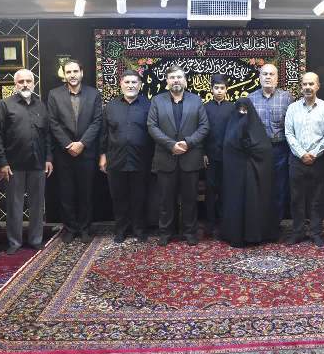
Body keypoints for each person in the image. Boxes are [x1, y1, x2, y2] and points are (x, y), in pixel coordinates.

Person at [0, 68, 53, 254]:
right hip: (13, 165)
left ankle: (35, 239)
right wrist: (2, 163)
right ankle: (14, 242)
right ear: (15, 84)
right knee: (14, 205)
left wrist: (48, 158)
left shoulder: (41, 105)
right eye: (21, 81)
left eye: (28, 81)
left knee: (37, 205)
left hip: (38, 163)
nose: (25, 84)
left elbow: (47, 135)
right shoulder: (4, 105)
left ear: (34, 83)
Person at [147, 65, 209, 246]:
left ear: (185, 81)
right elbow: (152, 126)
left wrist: (188, 142)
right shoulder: (157, 101)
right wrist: (170, 145)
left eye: (179, 77)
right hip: (166, 158)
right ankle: (166, 232)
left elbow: (204, 126)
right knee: (166, 200)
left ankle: (190, 232)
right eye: (172, 77)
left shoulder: (196, 100)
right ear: (167, 81)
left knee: (190, 200)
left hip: (190, 158)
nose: (176, 80)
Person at [47, 59, 103, 243]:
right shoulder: (54, 95)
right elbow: (53, 122)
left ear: (81, 73)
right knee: (66, 193)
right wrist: (68, 144)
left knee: (86, 193)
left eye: (75, 71)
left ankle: (85, 228)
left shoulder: (94, 94)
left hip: (86, 152)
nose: (72, 75)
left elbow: (97, 121)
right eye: (68, 72)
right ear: (64, 74)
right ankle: (70, 228)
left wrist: (82, 143)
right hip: (64, 153)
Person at [99, 70, 152, 243]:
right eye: (127, 82)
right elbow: (104, 133)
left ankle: (139, 229)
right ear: (121, 84)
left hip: (142, 160)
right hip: (116, 159)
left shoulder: (148, 105)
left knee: (140, 197)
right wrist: (102, 156)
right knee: (119, 197)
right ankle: (121, 230)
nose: (130, 85)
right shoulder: (110, 106)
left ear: (140, 85)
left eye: (134, 82)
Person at [219, 97, 277, 247]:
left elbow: (264, 149)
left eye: (245, 110)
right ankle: (235, 234)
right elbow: (228, 146)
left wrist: (250, 149)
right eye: (240, 110)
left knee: (254, 201)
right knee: (236, 202)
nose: (243, 113)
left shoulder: (256, 127)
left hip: (254, 173)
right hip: (236, 175)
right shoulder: (231, 126)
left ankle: (255, 234)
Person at [284, 72, 324, 246]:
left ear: (318, 86)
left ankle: (316, 233)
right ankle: (298, 232)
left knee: (317, 199)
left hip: (318, 160)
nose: (308, 87)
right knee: (296, 198)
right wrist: (302, 154)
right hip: (297, 160)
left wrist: (314, 154)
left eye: (311, 84)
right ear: (301, 87)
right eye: (305, 84)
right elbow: (289, 133)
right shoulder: (292, 108)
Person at [247, 63, 294, 225]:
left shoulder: (287, 98)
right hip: (258, 151)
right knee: (260, 186)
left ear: (277, 78)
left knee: (279, 187)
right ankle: (260, 223)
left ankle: (276, 223)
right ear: (259, 77)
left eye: (271, 74)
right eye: (264, 74)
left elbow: (292, 125)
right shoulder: (250, 99)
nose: (268, 77)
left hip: (280, 149)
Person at [203, 74, 234, 236]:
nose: (219, 91)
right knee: (210, 191)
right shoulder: (205, 107)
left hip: (227, 157)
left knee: (225, 190)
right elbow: (201, 131)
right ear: (211, 89)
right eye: (216, 88)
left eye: (222, 88)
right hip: (209, 157)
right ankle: (210, 223)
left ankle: (224, 223)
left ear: (226, 89)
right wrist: (203, 153)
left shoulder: (233, 107)